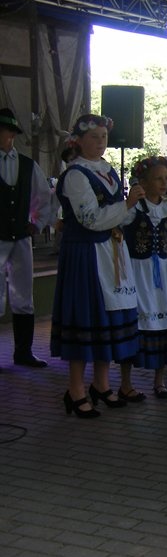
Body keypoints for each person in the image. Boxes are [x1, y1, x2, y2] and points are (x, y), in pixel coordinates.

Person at [52, 114, 144, 418]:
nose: (101, 142)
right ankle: (75, 389)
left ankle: (101, 383)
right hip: (86, 254)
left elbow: (118, 216)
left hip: (110, 250)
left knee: (108, 317)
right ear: (79, 141)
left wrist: (130, 210)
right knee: (86, 318)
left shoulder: (106, 170)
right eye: (94, 137)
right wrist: (126, 206)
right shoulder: (76, 175)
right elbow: (89, 219)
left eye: (104, 137)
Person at [120, 156, 167, 399]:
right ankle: (126, 383)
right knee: (136, 322)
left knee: (164, 321)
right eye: (158, 178)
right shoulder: (132, 209)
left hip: (162, 273)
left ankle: (159, 381)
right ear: (143, 182)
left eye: (166, 178)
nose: (164, 183)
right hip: (138, 271)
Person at [0, 108, 53, 368]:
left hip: (20, 238)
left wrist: (37, 223)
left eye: (7, 131)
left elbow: (43, 196)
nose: (5, 135)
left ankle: (23, 352)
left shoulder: (27, 165)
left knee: (23, 294)